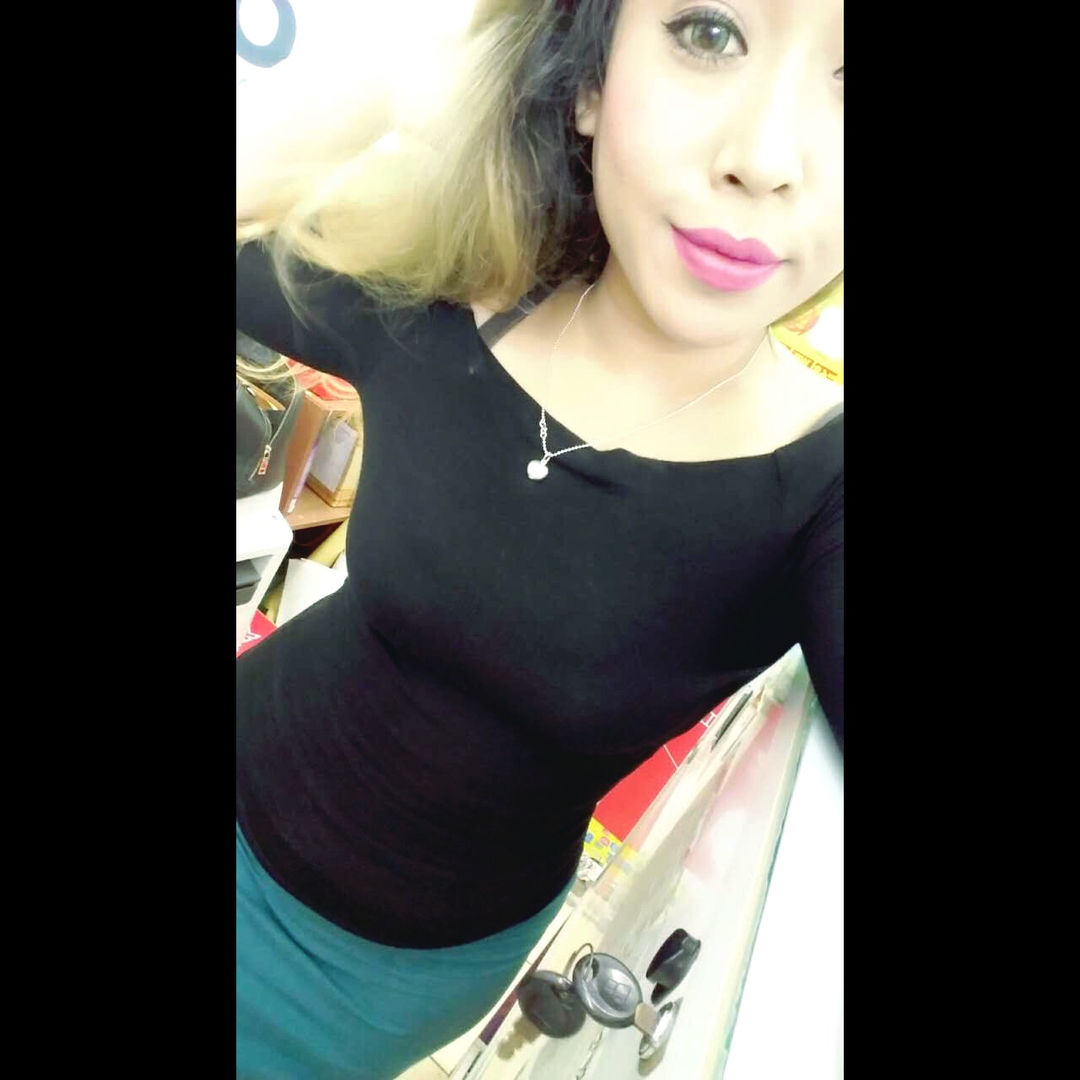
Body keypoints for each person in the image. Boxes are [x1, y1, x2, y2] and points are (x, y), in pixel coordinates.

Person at [235, 0, 843, 1076]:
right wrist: (430, 81)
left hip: (366, 982)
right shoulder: (455, 307)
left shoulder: (818, 491)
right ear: (588, 78)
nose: (763, 159)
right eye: (709, 33)